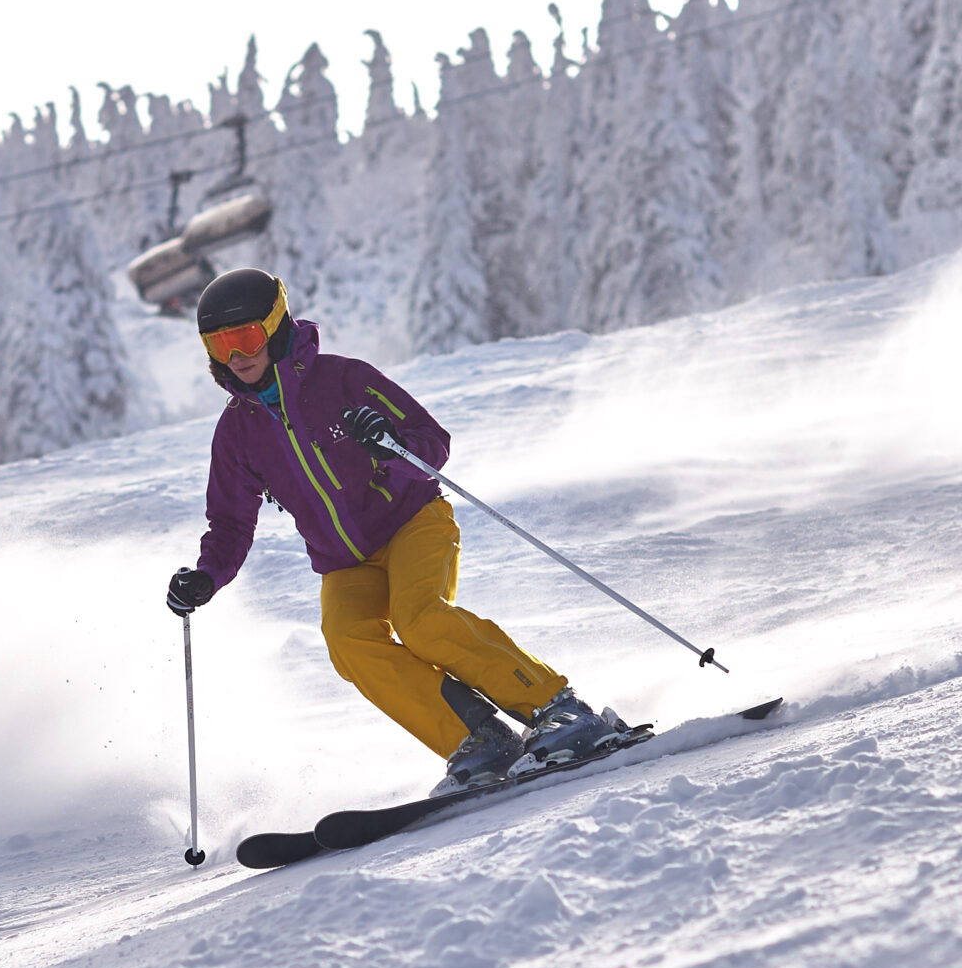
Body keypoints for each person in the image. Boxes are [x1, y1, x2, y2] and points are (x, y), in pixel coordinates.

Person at [164, 268, 624, 794]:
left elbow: (432, 442)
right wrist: (206, 576)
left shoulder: (343, 379)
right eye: (218, 344)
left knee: (421, 619)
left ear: (274, 327)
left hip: (413, 523)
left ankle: (557, 707)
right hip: (345, 562)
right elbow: (229, 522)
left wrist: (388, 445)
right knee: (348, 641)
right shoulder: (237, 433)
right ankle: (478, 737)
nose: (235, 356)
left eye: (244, 337)